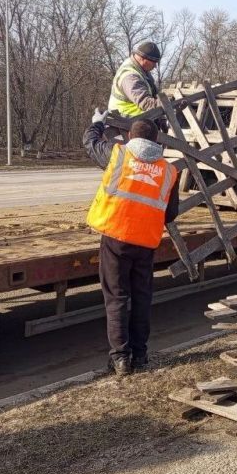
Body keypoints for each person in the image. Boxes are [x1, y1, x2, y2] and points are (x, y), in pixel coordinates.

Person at [83, 111, 180, 375]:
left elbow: (89, 141)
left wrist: (98, 120)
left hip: (115, 237)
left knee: (116, 298)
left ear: (129, 136)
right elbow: (170, 214)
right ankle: (140, 355)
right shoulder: (169, 171)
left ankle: (120, 359)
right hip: (146, 243)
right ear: (158, 141)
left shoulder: (117, 155)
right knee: (141, 298)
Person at [108, 41, 163, 117]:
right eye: (154, 62)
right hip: (124, 122)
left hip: (137, 121)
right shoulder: (130, 77)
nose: (155, 66)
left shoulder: (142, 70)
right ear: (143, 58)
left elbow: (155, 94)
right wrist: (167, 104)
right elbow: (146, 103)